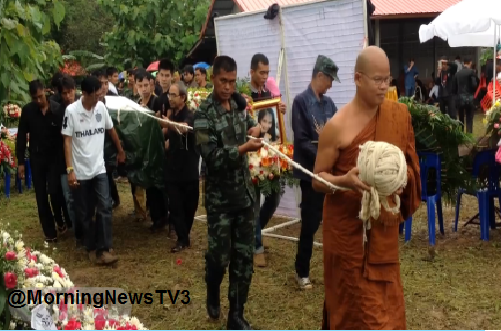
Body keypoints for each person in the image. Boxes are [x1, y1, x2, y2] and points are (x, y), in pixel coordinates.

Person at [312, 46, 421, 329]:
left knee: (387, 312)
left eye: (387, 79)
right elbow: (317, 179)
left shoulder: (397, 115)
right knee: (355, 312)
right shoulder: (336, 127)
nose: (384, 86)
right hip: (348, 238)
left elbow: (409, 167)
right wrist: (344, 182)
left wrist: (399, 179)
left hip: (381, 234)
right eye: (377, 79)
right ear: (358, 78)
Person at [193, 55, 263, 329]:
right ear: (213, 79)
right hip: (220, 201)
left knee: (243, 259)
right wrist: (245, 148)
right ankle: (212, 287)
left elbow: (246, 129)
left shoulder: (238, 105)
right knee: (220, 257)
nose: (228, 87)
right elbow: (212, 158)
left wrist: (254, 129)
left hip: (244, 197)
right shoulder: (203, 114)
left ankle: (236, 315)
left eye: (233, 81)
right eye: (223, 81)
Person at [62, 76, 125, 265]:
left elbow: (111, 130)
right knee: (86, 211)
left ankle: (105, 248)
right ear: (87, 93)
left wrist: (120, 150)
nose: (99, 98)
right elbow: (67, 141)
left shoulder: (101, 108)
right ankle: (91, 246)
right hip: (80, 171)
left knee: (105, 206)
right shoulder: (71, 111)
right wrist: (70, 170)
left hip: (99, 168)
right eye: (96, 95)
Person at [291, 55, 338, 289]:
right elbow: (301, 141)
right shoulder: (300, 102)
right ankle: (302, 270)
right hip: (310, 173)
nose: (331, 85)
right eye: (329, 79)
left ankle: (333, 270)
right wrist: (323, 161)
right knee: (309, 224)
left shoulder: (329, 105)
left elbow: (339, 132)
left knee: (332, 222)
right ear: (320, 76)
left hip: (330, 173)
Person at [248, 53, 287, 267]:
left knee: (274, 198)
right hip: (250, 155)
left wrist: (279, 111)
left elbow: (274, 119)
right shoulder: (244, 96)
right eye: (261, 72)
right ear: (251, 72)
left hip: (270, 153)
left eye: (267, 72)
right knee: (253, 202)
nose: (265, 76)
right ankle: (256, 247)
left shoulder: (269, 92)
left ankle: (256, 233)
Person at [17, 79, 67, 243]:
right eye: (34, 98)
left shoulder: (57, 109)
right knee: (41, 196)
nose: (38, 101)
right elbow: (22, 136)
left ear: (45, 91)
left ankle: (60, 219)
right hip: (37, 158)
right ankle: (49, 231)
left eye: (40, 96)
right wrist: (21, 162)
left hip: (54, 158)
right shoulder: (28, 111)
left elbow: (64, 137)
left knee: (54, 191)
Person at [159, 81, 200, 252]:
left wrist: (168, 125)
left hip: (189, 168)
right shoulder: (171, 114)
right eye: (169, 95)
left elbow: (184, 129)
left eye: (173, 95)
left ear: (183, 97)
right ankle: (182, 238)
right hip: (172, 168)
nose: (170, 98)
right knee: (175, 205)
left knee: (189, 205)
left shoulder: (190, 115)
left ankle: (185, 234)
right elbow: (168, 135)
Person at [54, 74, 80, 242]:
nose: (68, 96)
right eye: (65, 93)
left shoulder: (83, 107)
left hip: (83, 159)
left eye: (70, 92)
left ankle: (86, 228)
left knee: (84, 197)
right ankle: (79, 232)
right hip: (64, 162)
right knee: (69, 198)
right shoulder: (58, 112)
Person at [92, 69, 121, 208]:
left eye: (106, 83)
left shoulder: (113, 101)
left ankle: (110, 200)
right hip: (94, 148)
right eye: (101, 83)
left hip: (108, 148)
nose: (104, 87)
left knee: (107, 174)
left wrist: (119, 149)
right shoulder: (89, 103)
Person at [453, 58, 478, 133]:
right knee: (469, 117)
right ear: (470, 63)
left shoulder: (457, 74)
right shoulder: (471, 72)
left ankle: (461, 132)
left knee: (461, 117)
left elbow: (454, 88)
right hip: (469, 97)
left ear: (463, 63)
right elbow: (474, 85)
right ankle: (469, 133)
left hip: (460, 98)